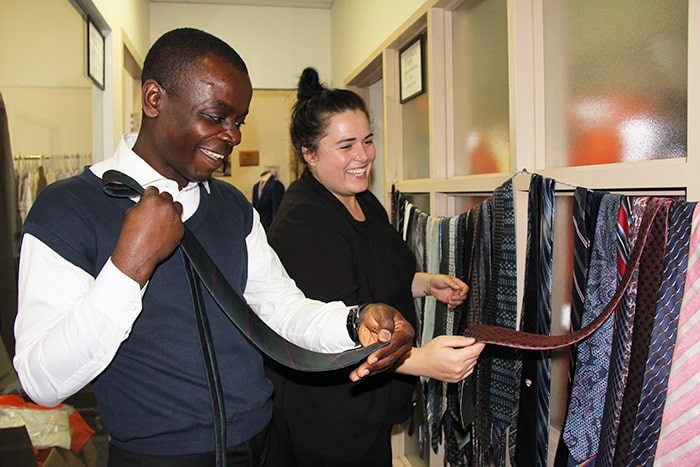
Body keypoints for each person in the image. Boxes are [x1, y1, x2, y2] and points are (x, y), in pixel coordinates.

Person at [12, 29, 414, 467]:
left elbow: (281, 310)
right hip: (160, 458)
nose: (233, 135)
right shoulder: (69, 209)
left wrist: (357, 321)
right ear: (154, 99)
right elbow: (40, 381)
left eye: (238, 120)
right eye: (216, 116)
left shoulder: (231, 206)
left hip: (266, 444)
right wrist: (129, 266)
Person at [265, 67, 485, 467]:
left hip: (371, 407)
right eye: (346, 146)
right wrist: (424, 362)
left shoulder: (361, 199)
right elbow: (342, 329)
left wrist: (423, 283)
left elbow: (374, 268)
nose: (363, 156)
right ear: (309, 153)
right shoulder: (304, 221)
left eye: (367, 141)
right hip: (330, 419)